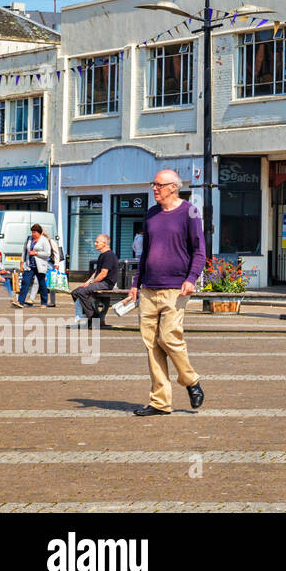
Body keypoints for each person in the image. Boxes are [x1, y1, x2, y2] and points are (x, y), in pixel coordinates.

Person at [129, 169, 206, 417]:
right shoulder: (151, 214)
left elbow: (199, 251)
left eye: (159, 185)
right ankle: (160, 402)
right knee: (152, 345)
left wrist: (192, 278)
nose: (154, 189)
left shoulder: (190, 212)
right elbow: (145, 253)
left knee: (169, 338)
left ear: (173, 187)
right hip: (148, 288)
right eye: (153, 184)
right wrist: (135, 282)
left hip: (175, 288)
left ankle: (191, 380)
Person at [70, 233, 118, 328]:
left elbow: (103, 274)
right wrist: (88, 282)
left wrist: (92, 283)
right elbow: (97, 272)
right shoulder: (102, 255)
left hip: (106, 283)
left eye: (97, 242)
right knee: (75, 292)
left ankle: (94, 317)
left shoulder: (109, 255)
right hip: (100, 282)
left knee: (82, 292)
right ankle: (87, 316)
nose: (95, 244)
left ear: (104, 243)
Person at [13, 223, 53, 309]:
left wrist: (36, 253)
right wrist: (21, 263)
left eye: (35, 232)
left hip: (40, 266)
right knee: (25, 283)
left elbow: (48, 254)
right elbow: (24, 251)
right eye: (32, 232)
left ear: (39, 233)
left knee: (42, 284)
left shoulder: (44, 240)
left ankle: (44, 303)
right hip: (29, 265)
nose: (33, 234)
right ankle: (20, 302)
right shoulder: (29, 239)